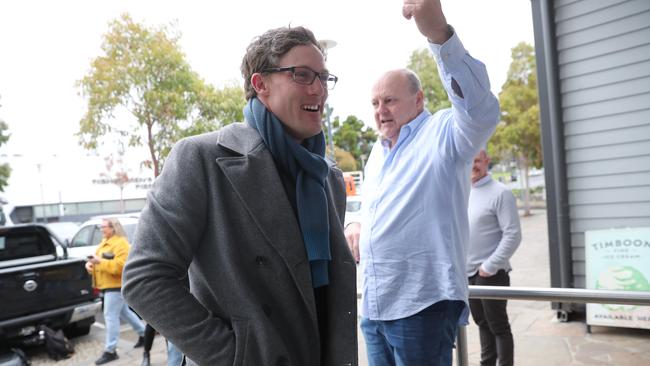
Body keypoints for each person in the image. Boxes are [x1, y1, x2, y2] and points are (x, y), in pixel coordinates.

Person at [122, 25, 357, 366]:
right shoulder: (202, 159)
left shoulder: (328, 177)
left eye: (324, 77)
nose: (319, 89)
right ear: (261, 84)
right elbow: (145, 279)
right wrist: (235, 356)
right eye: (303, 75)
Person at [344, 1, 500, 365]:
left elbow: (481, 109)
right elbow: (372, 206)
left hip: (422, 306)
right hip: (375, 306)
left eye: (389, 101)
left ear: (418, 99)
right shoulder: (377, 151)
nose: (380, 110)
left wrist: (438, 34)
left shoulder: (444, 132)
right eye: (375, 103)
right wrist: (356, 223)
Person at [467, 150, 522, 366]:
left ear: (487, 161)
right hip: (468, 273)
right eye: (469, 160)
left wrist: (489, 266)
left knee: (498, 326)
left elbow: (513, 234)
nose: (473, 165)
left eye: (478, 160)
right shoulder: (464, 191)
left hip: (491, 273)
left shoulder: (501, 193)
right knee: (482, 324)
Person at [85, 218, 145, 365]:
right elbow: (99, 261)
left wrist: (100, 262)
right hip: (107, 285)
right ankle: (144, 334)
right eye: (101, 227)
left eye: (104, 227)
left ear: (113, 227)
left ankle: (110, 351)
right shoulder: (104, 243)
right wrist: (90, 265)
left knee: (110, 316)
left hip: (116, 285)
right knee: (124, 312)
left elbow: (121, 266)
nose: (101, 229)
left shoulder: (121, 244)